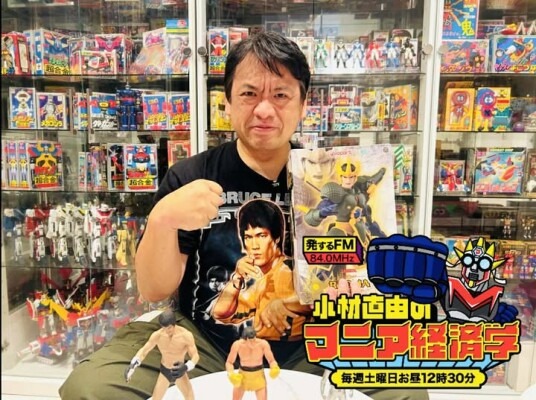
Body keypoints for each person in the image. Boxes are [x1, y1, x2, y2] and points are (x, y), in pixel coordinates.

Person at [59, 31, 428, 400]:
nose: (264, 110)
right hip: (203, 343)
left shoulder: (324, 178)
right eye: (249, 94)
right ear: (228, 102)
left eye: (281, 95)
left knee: (408, 393)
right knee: (88, 388)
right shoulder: (191, 176)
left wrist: (357, 285)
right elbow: (155, 289)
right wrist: (162, 219)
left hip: (314, 345)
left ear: (303, 104)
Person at [212, 199, 310, 339]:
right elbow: (220, 313)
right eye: (248, 237)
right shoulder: (262, 282)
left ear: (276, 237)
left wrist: (285, 304)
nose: (254, 246)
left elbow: (322, 299)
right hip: (261, 349)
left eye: (261, 236)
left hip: (298, 349)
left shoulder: (291, 269)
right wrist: (237, 277)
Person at [124, 309, 199, 400]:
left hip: (178, 372)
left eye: (169, 328)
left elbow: (195, 355)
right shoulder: (158, 335)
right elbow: (144, 351)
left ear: (174, 324)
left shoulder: (185, 336)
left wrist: (187, 366)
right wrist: (133, 365)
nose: (167, 331)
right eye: (164, 328)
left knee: (190, 398)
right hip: (165, 371)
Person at [226, 326, 280, 400]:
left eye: (254, 339)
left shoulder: (263, 344)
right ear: (245, 339)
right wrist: (231, 374)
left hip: (258, 376)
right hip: (243, 376)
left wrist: (274, 368)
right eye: (250, 340)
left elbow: (272, 360)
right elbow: (229, 362)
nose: (252, 343)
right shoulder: (237, 344)